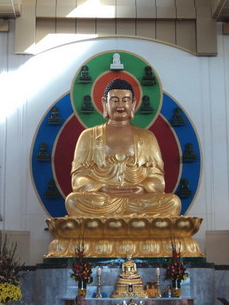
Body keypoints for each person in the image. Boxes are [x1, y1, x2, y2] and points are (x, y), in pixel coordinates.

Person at [65, 78, 181, 217]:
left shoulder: (147, 137)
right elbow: (78, 179)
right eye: (115, 100)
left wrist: (142, 187)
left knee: (173, 202)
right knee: (72, 201)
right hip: (103, 200)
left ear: (133, 103)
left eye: (125, 100)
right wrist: (101, 187)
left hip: (137, 200)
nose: (120, 105)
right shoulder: (88, 136)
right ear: (105, 103)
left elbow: (158, 179)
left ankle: (117, 218)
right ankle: (133, 219)